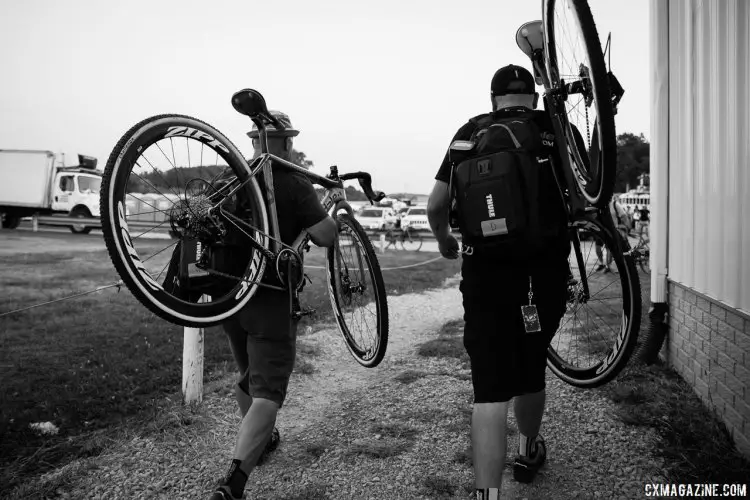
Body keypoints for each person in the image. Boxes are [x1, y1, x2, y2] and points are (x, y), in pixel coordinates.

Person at [427, 64, 570, 498]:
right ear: (533, 97)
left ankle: (487, 495)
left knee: (489, 385)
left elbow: (437, 203)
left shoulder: (469, 132)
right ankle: (527, 450)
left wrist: (444, 239)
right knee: (530, 364)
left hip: (484, 273)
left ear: (493, 99)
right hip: (542, 273)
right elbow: (582, 196)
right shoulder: (554, 128)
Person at [209, 111, 338, 500]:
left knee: (248, 373)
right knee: (267, 392)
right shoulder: (293, 181)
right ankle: (234, 481)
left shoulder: (227, 178)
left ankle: (261, 443)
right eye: (290, 140)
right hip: (268, 295)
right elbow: (326, 235)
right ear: (283, 142)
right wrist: (329, 212)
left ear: (252, 140)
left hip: (228, 295)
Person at [595, 195, 631, 273]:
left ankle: (608, 266)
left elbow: (624, 216)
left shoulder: (615, 204)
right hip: (600, 229)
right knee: (597, 248)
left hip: (612, 230)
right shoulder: (599, 205)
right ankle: (602, 263)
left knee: (609, 249)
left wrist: (628, 227)